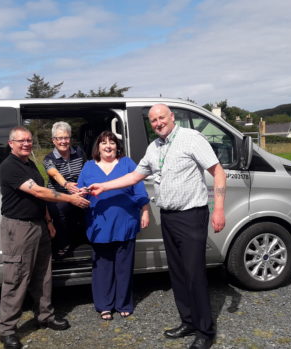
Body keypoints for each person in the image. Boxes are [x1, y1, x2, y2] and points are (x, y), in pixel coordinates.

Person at [88, 104, 226, 349]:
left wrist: (218, 208)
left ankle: (205, 330)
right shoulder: (154, 148)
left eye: (161, 118)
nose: (158, 123)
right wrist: (104, 186)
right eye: (153, 120)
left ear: (172, 117)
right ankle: (188, 321)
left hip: (191, 215)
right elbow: (134, 177)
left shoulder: (191, 139)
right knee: (178, 273)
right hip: (169, 216)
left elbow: (218, 172)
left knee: (194, 274)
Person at [0, 126, 90, 349]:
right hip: (19, 227)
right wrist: (70, 199)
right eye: (21, 141)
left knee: (43, 274)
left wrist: (48, 222)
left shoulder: (30, 164)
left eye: (29, 140)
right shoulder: (9, 166)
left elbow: (40, 199)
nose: (26, 144)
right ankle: (7, 330)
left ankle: (45, 316)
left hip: (38, 224)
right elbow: (39, 192)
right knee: (17, 277)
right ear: (11, 143)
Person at [77, 131, 150, 320]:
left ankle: (123, 303)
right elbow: (80, 193)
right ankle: (104, 305)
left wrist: (145, 211)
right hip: (99, 225)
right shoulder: (88, 167)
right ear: (98, 147)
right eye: (103, 143)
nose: (108, 146)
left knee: (124, 267)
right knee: (102, 267)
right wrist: (80, 193)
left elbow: (139, 189)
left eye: (112, 142)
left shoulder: (127, 163)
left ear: (117, 146)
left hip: (125, 223)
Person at [43, 121, 87, 259]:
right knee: (60, 210)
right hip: (58, 195)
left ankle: (86, 242)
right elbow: (54, 173)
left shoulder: (79, 152)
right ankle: (62, 245)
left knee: (89, 206)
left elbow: (86, 170)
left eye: (66, 137)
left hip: (79, 191)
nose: (63, 141)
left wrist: (83, 189)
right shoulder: (48, 158)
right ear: (53, 140)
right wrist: (67, 184)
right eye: (59, 138)